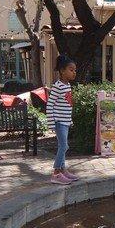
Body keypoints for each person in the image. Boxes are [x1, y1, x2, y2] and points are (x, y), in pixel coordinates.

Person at [47, 55, 78, 185]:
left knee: (63, 146)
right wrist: (51, 123)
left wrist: (69, 120)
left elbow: (67, 105)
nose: (74, 72)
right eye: (71, 70)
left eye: (75, 70)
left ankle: (63, 170)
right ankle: (56, 173)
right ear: (62, 71)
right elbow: (50, 105)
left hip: (65, 121)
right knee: (64, 146)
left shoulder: (68, 86)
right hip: (59, 122)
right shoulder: (57, 86)